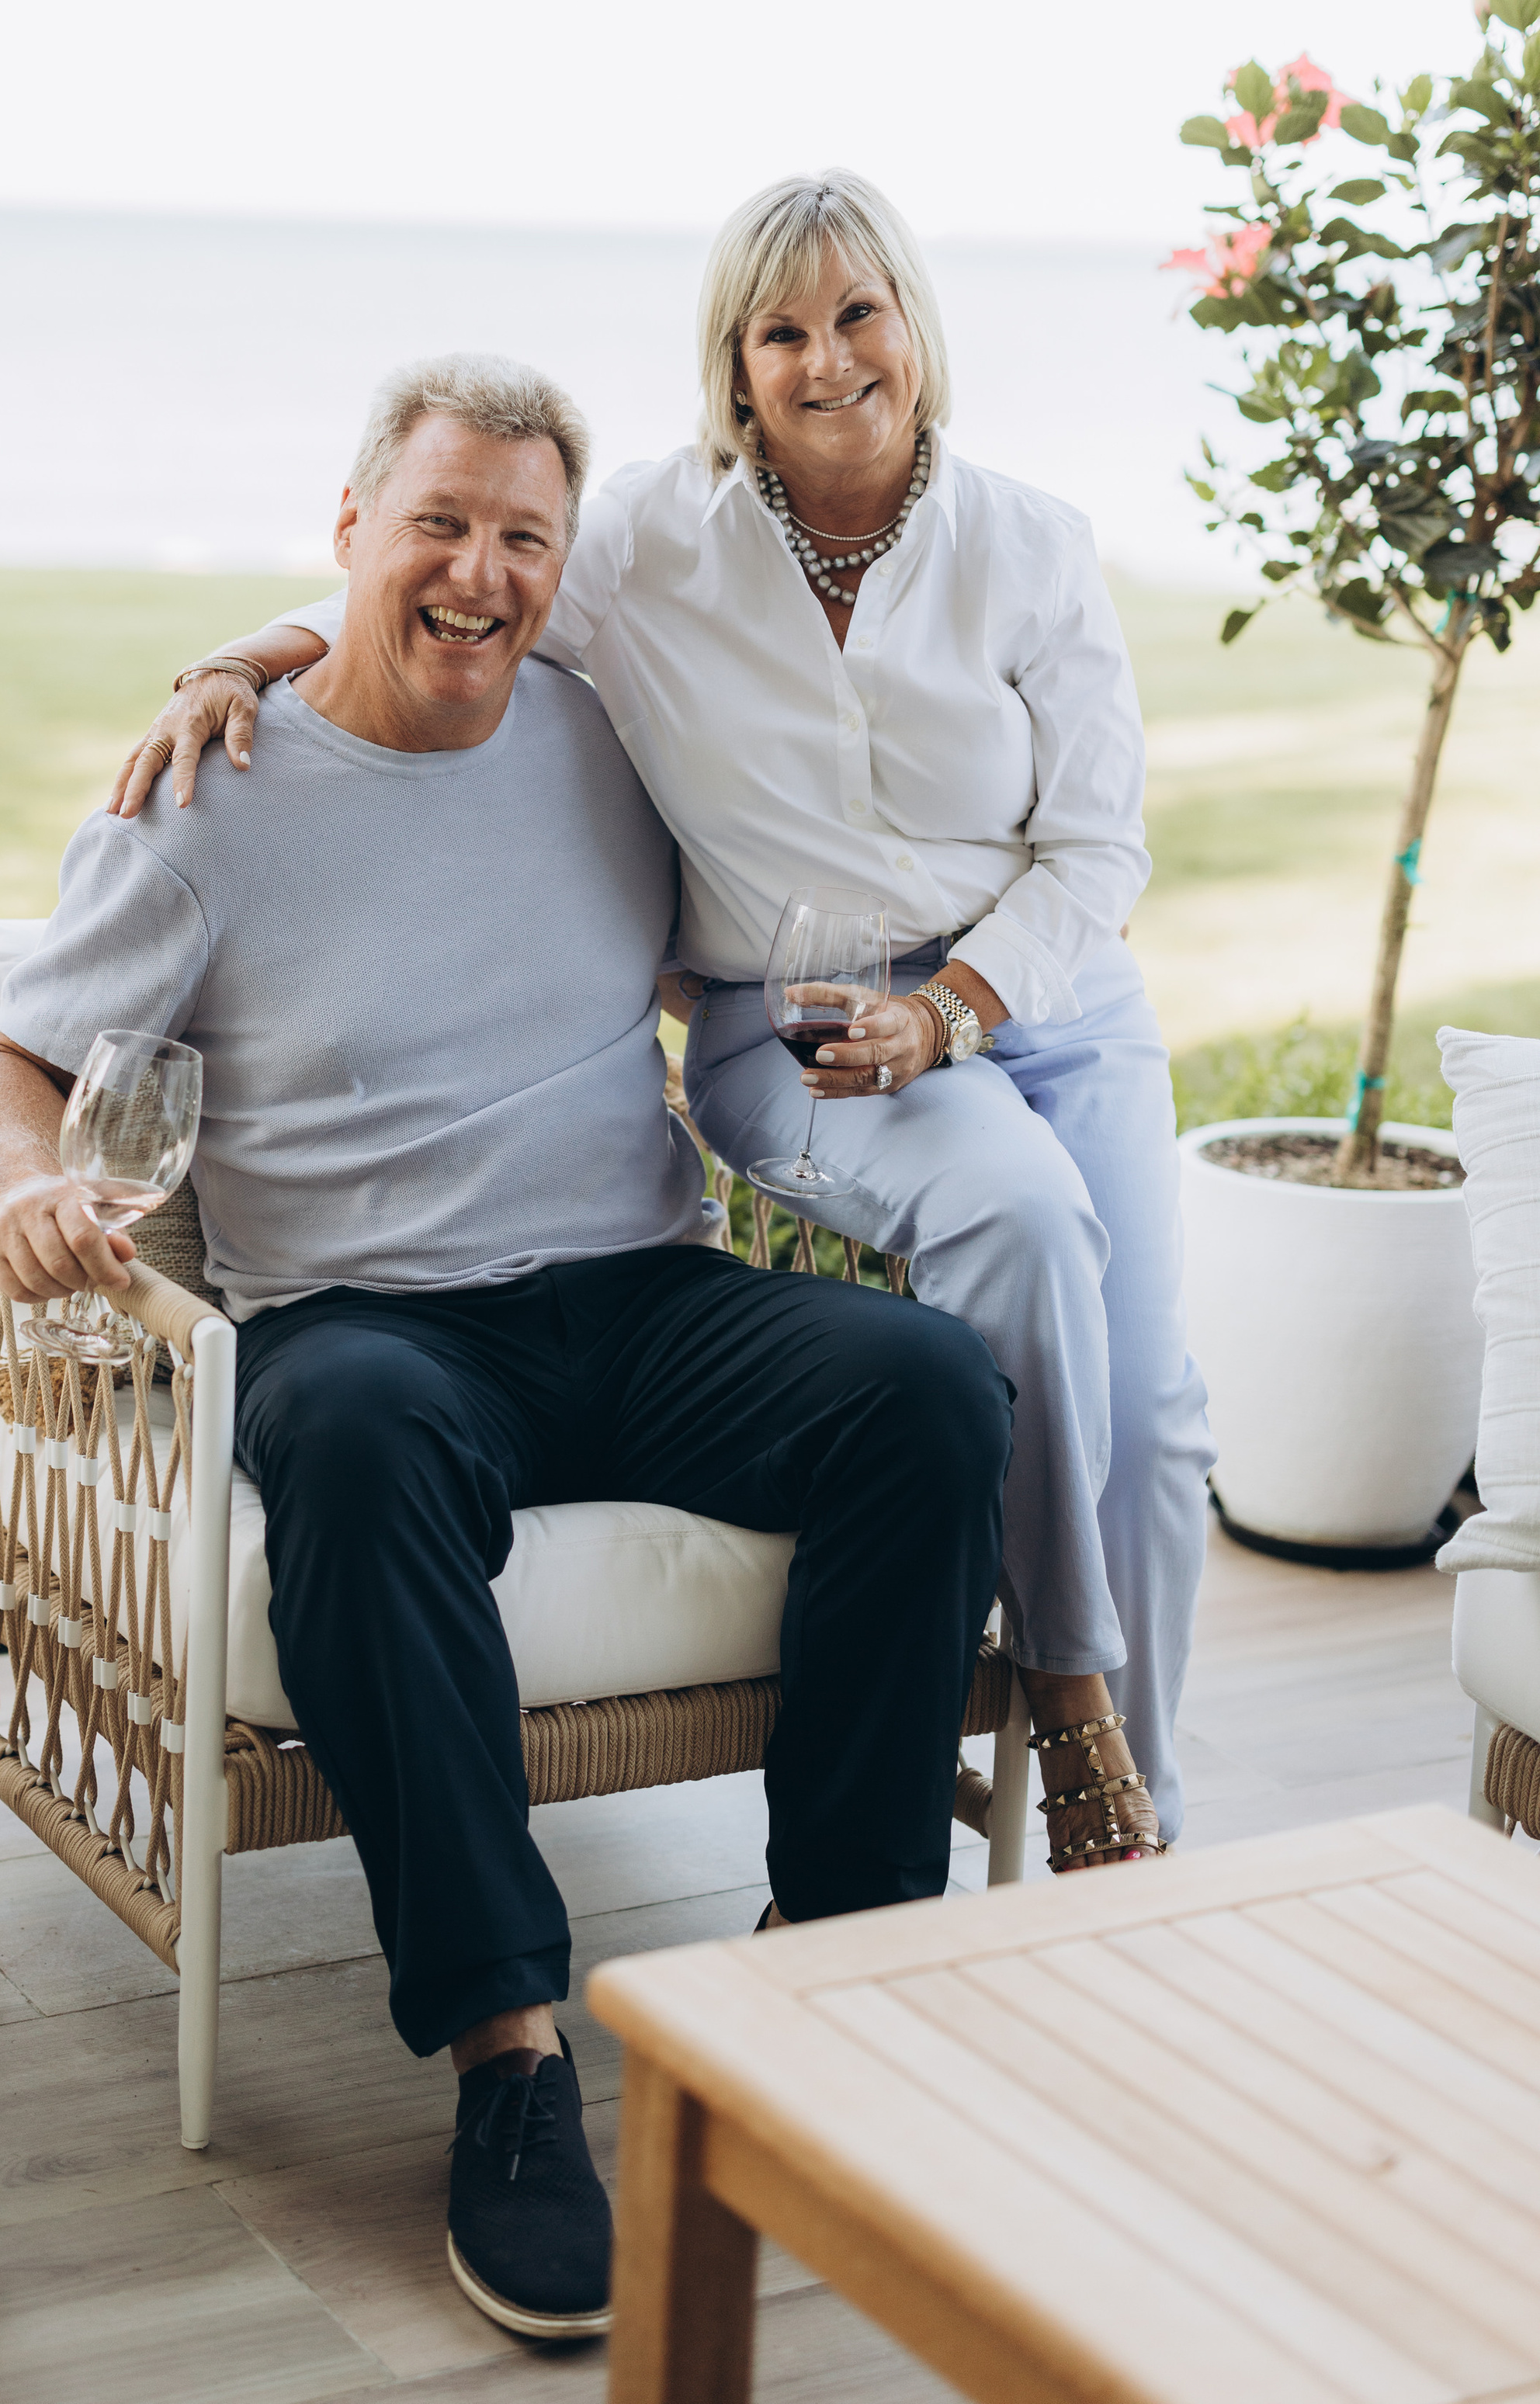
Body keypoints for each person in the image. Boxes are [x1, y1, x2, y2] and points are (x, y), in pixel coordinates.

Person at [0, 352, 1011, 2342]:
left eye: (524, 536)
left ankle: (827, 1968)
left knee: (927, 1388)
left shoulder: (598, 739)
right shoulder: (213, 793)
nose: (478, 573)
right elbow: (7, 1062)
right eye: (437, 522)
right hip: (372, 1327)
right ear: (349, 532)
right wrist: (13, 1188)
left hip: (631, 1287)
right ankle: (509, 2063)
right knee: (338, 1436)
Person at [113, 174, 1217, 1870]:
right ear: (731, 365)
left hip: (1042, 994)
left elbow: (1096, 848)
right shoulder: (646, 535)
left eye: (857, 313)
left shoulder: (1029, 547)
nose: (825, 357)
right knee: (1014, 1226)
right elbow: (460, 583)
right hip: (805, 1025)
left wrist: (964, 1010)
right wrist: (235, 661)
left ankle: (1139, 1814)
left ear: (913, 325)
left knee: (1149, 1416)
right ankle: (1065, 1701)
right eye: (779, 329)